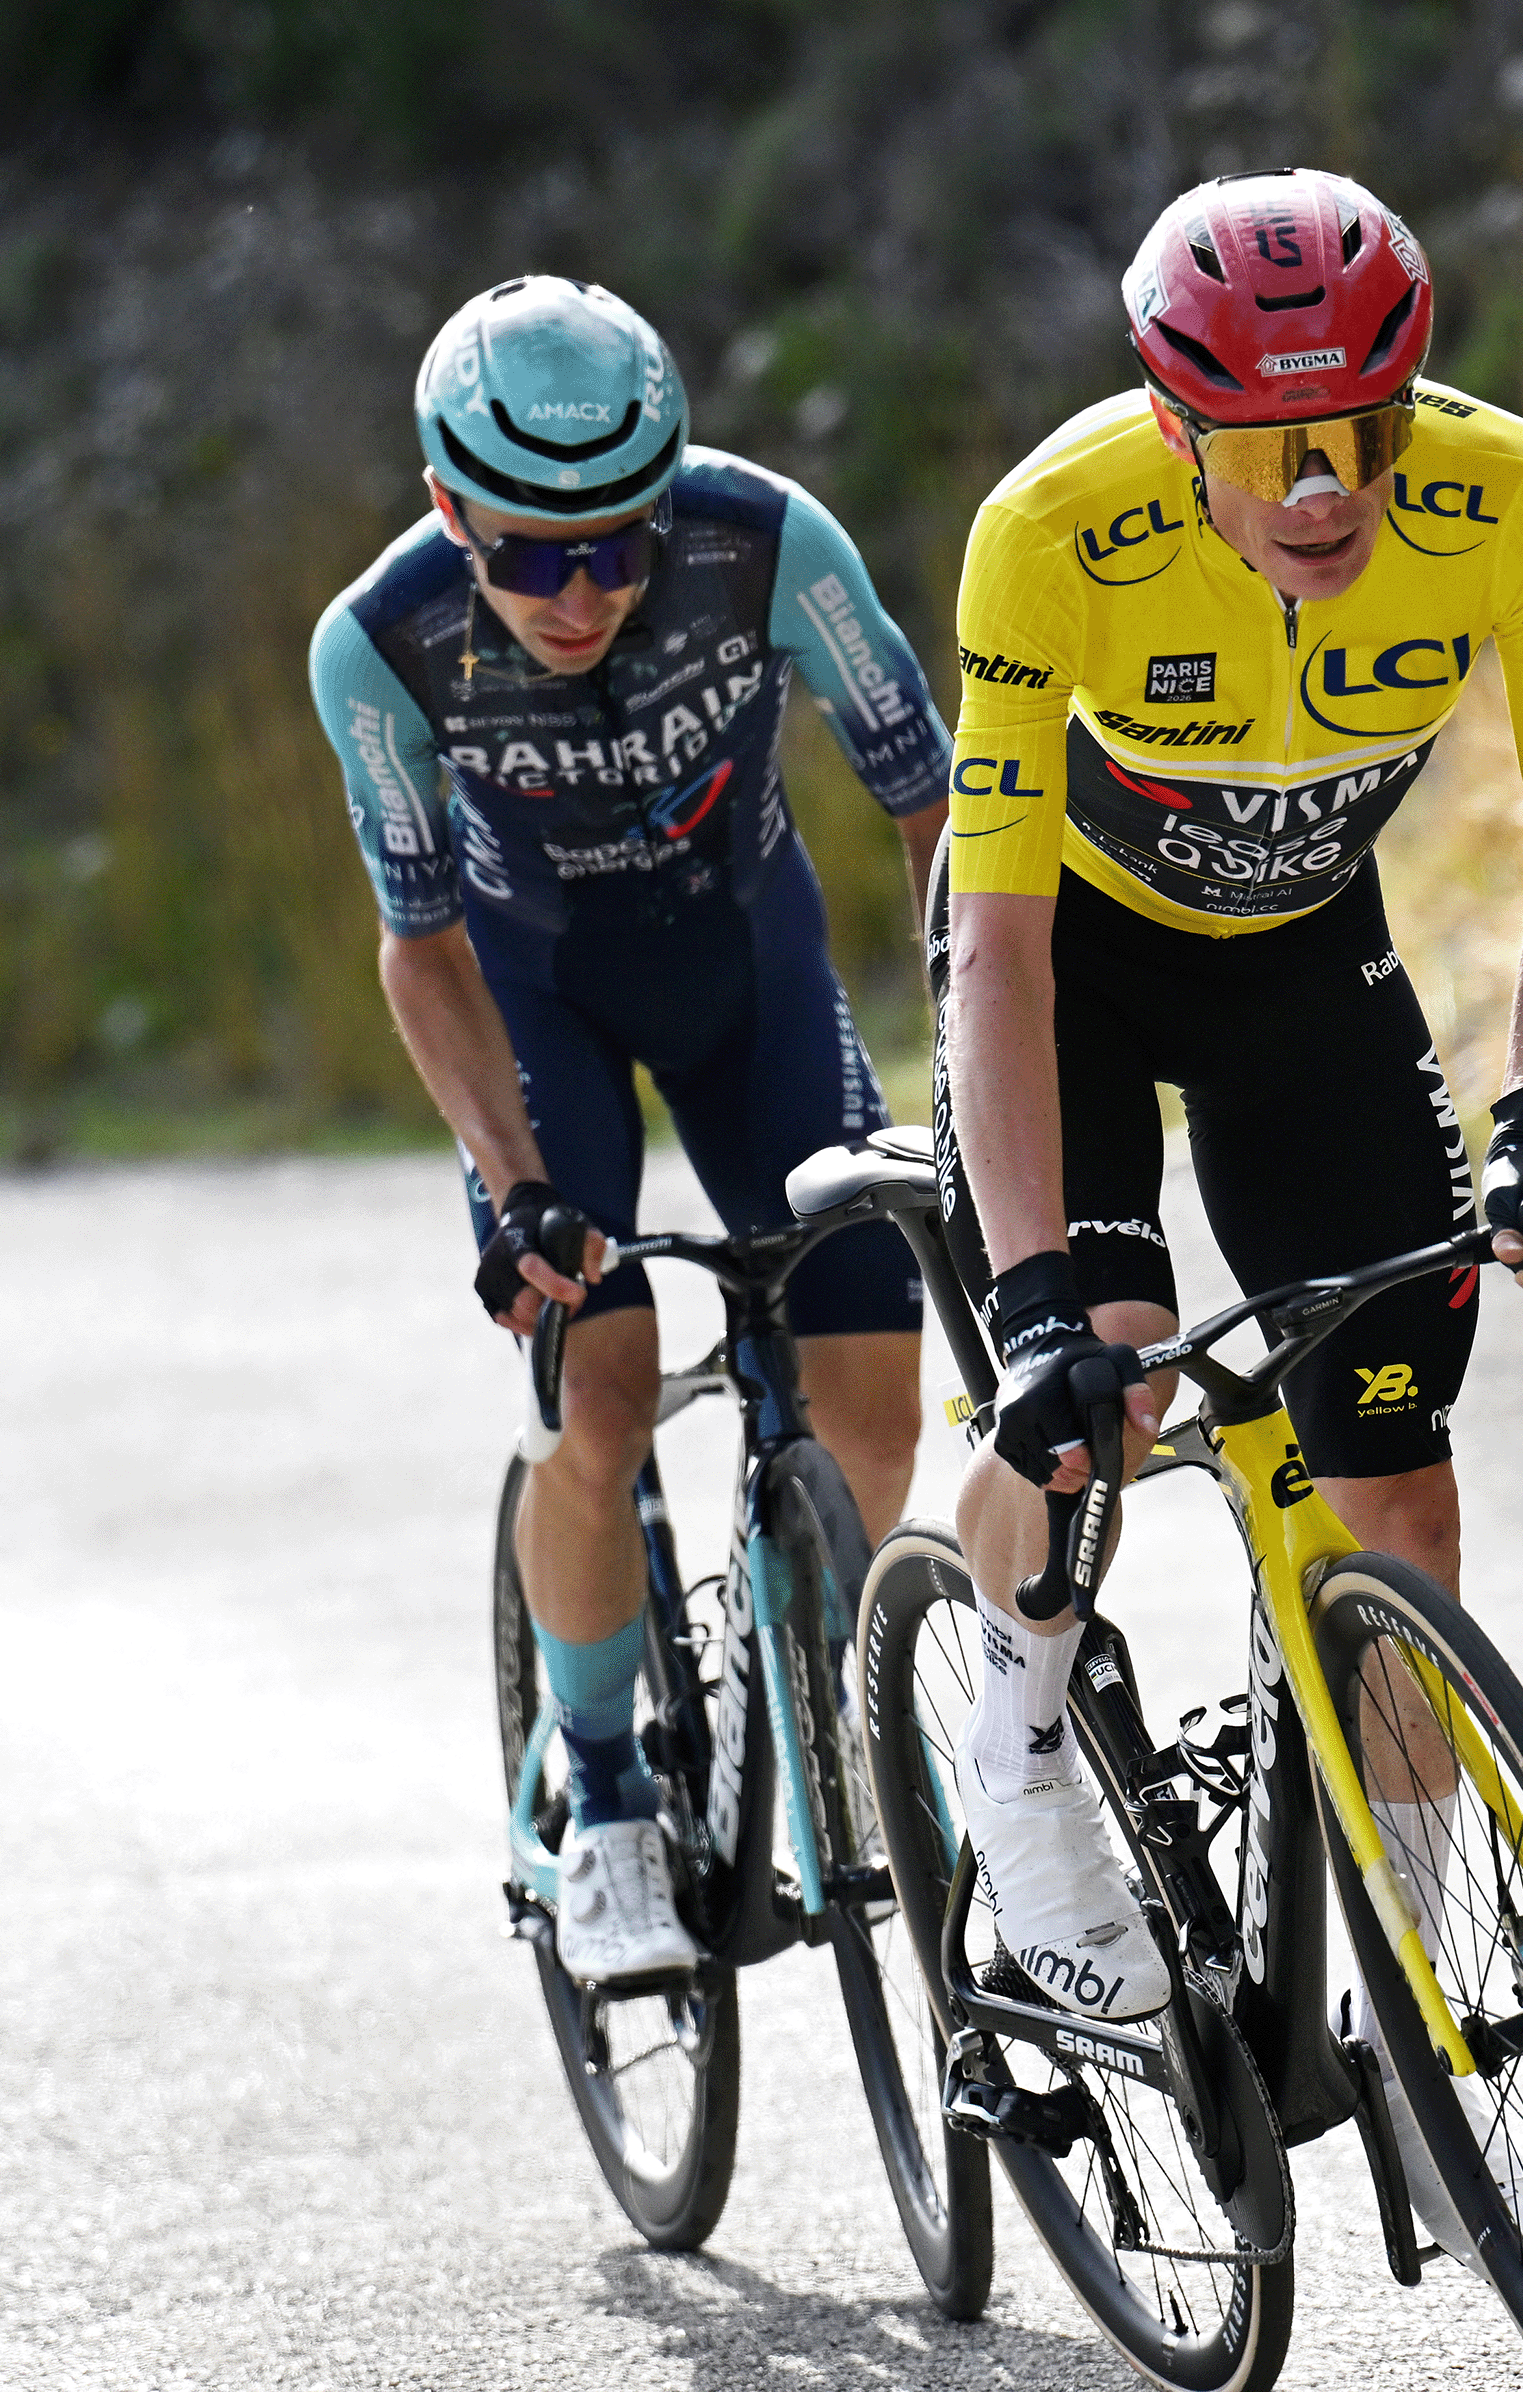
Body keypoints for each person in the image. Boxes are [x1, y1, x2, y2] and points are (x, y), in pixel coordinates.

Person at [931, 169, 1523, 2036]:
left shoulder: (1511, 494)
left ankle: (1419, 1994)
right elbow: (993, 945)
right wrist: (1031, 1304)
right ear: (1178, 432)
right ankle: (1017, 1755)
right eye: (1267, 450)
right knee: (1103, 1392)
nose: (1324, 490)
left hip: (1306, 960)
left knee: (1400, 1493)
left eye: (1364, 437)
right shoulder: (1049, 532)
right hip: (1073, 968)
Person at [312, 277, 950, 1985]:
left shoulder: (765, 544)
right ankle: (602, 1803)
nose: (583, 592)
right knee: (601, 1386)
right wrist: (515, 1185)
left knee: (872, 1405)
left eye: (618, 546)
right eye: (532, 555)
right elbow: (420, 947)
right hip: (543, 1010)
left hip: (753, 977)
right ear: (450, 510)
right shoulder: (382, 643)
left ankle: (790, 1686)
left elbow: (934, 804)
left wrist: (971, 1052)